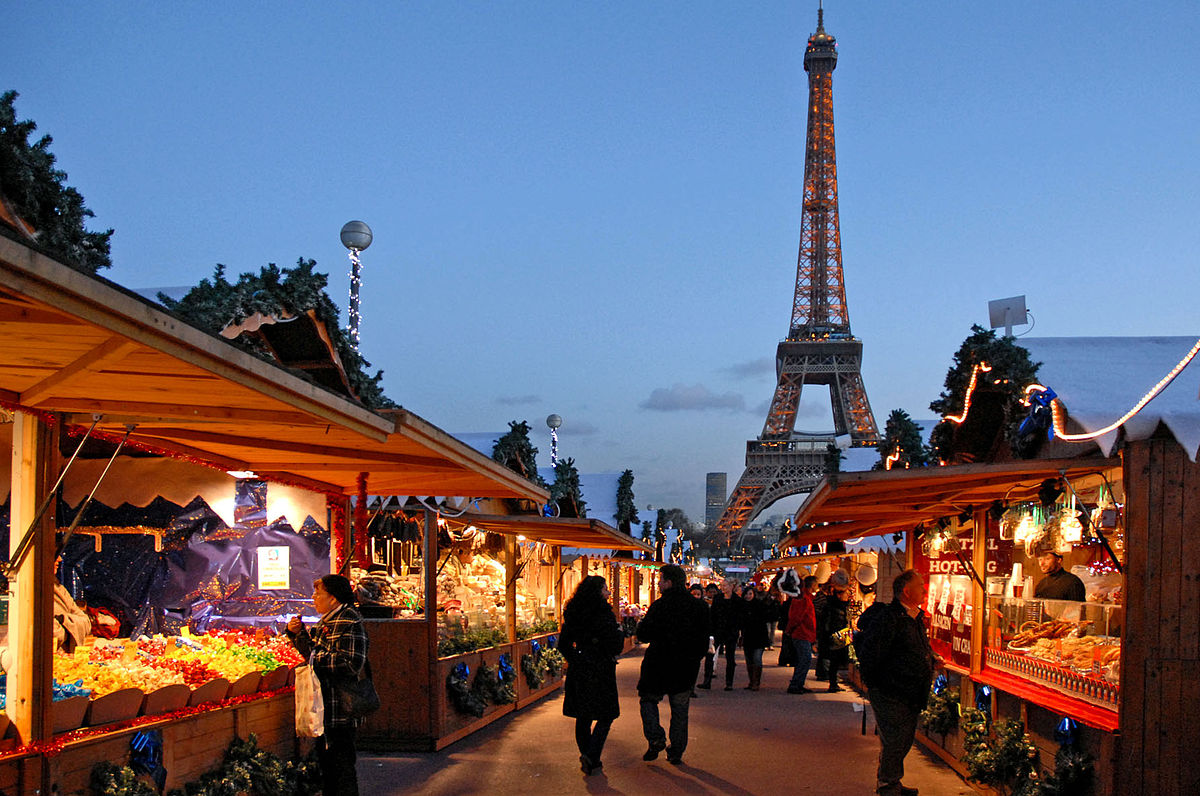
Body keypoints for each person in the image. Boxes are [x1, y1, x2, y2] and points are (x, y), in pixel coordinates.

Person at [857, 569, 937, 796]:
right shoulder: (890, 619)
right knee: (895, 738)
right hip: (891, 691)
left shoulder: (914, 617)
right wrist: (881, 683)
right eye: (920, 585)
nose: (924, 589)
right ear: (906, 591)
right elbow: (873, 654)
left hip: (909, 691)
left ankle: (892, 781)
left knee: (903, 738)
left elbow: (915, 647)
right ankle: (887, 784)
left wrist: (930, 658)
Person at [287, 574, 369, 796]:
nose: (313, 598)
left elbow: (351, 663)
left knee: (341, 766)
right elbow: (312, 653)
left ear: (333, 598)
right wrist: (297, 634)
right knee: (329, 766)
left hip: (341, 706)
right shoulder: (328, 620)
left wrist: (316, 657)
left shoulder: (348, 620)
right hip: (326, 705)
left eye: (318, 593)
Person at [636, 563, 710, 765]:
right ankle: (676, 751)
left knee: (648, 699)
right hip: (686, 665)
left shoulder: (659, 606)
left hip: (658, 662)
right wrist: (696, 656)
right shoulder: (699, 606)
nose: (658, 584)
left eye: (660, 580)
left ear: (668, 582)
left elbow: (644, 634)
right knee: (680, 709)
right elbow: (704, 637)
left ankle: (655, 737)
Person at [559, 575, 624, 775]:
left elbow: (563, 644)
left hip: (580, 669)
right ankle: (591, 754)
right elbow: (615, 645)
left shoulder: (574, 612)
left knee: (584, 714)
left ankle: (588, 754)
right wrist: (619, 632)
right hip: (601, 668)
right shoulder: (604, 613)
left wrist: (577, 659)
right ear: (598, 591)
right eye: (606, 588)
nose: (608, 592)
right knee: (607, 714)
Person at [784, 573, 818, 694]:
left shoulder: (806, 597)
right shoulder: (803, 598)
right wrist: (790, 629)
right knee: (805, 659)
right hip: (801, 633)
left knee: (803, 660)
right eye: (816, 585)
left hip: (805, 633)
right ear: (812, 585)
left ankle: (798, 683)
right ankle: (795, 684)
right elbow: (796, 616)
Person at [818, 569, 852, 692]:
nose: (847, 595)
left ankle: (834, 683)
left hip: (838, 633)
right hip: (836, 634)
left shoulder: (834, 604)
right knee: (835, 660)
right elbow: (829, 622)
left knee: (835, 661)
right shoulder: (834, 606)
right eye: (845, 593)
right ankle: (833, 684)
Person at [710, 578, 742, 691]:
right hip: (717, 630)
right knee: (711, 655)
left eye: (725, 585)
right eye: (722, 585)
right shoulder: (718, 598)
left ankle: (729, 682)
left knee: (730, 657)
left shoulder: (737, 600)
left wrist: (738, 631)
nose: (723, 587)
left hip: (731, 632)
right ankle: (707, 680)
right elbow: (713, 614)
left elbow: (739, 617)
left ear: (732, 586)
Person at [739, 585, 770, 690]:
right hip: (747, 637)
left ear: (754, 594)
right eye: (746, 594)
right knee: (749, 660)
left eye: (750, 594)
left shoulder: (760, 605)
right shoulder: (742, 606)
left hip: (759, 637)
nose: (748, 596)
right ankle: (751, 681)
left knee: (757, 659)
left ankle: (756, 682)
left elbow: (766, 617)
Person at [697, 583, 719, 689]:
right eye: (710, 592)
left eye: (714, 592)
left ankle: (707, 680)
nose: (712, 594)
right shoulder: (702, 603)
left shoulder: (719, 603)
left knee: (710, 658)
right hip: (701, 633)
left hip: (713, 634)